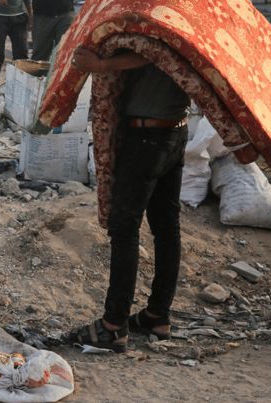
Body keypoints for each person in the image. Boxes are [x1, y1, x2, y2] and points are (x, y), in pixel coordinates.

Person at [68, 46, 191, 352]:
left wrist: (101, 63)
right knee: (166, 225)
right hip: (175, 129)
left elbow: (153, 51)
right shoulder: (186, 16)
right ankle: (157, 315)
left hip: (147, 136)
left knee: (124, 228)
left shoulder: (157, 10)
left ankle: (113, 326)